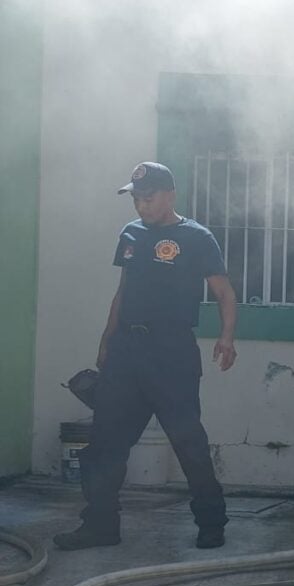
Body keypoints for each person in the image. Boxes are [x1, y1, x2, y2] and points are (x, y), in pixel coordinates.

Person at [54, 162, 237, 551]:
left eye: (148, 198)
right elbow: (124, 291)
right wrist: (107, 340)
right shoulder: (131, 234)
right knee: (105, 444)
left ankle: (211, 523)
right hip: (126, 351)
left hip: (171, 352)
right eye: (136, 199)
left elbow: (223, 292)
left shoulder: (196, 237)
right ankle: (101, 525)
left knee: (189, 442)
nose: (141, 206)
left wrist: (226, 336)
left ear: (170, 195)